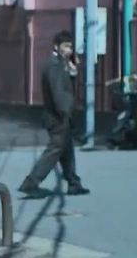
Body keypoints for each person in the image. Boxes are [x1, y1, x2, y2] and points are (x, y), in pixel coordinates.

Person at [19, 30, 91, 198]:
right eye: (65, 46)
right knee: (54, 150)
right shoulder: (54, 65)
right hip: (58, 116)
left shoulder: (60, 64)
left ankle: (73, 183)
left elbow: (65, 88)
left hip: (60, 115)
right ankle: (31, 182)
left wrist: (72, 73)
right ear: (56, 46)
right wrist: (65, 113)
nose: (69, 50)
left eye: (71, 47)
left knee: (66, 150)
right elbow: (58, 92)